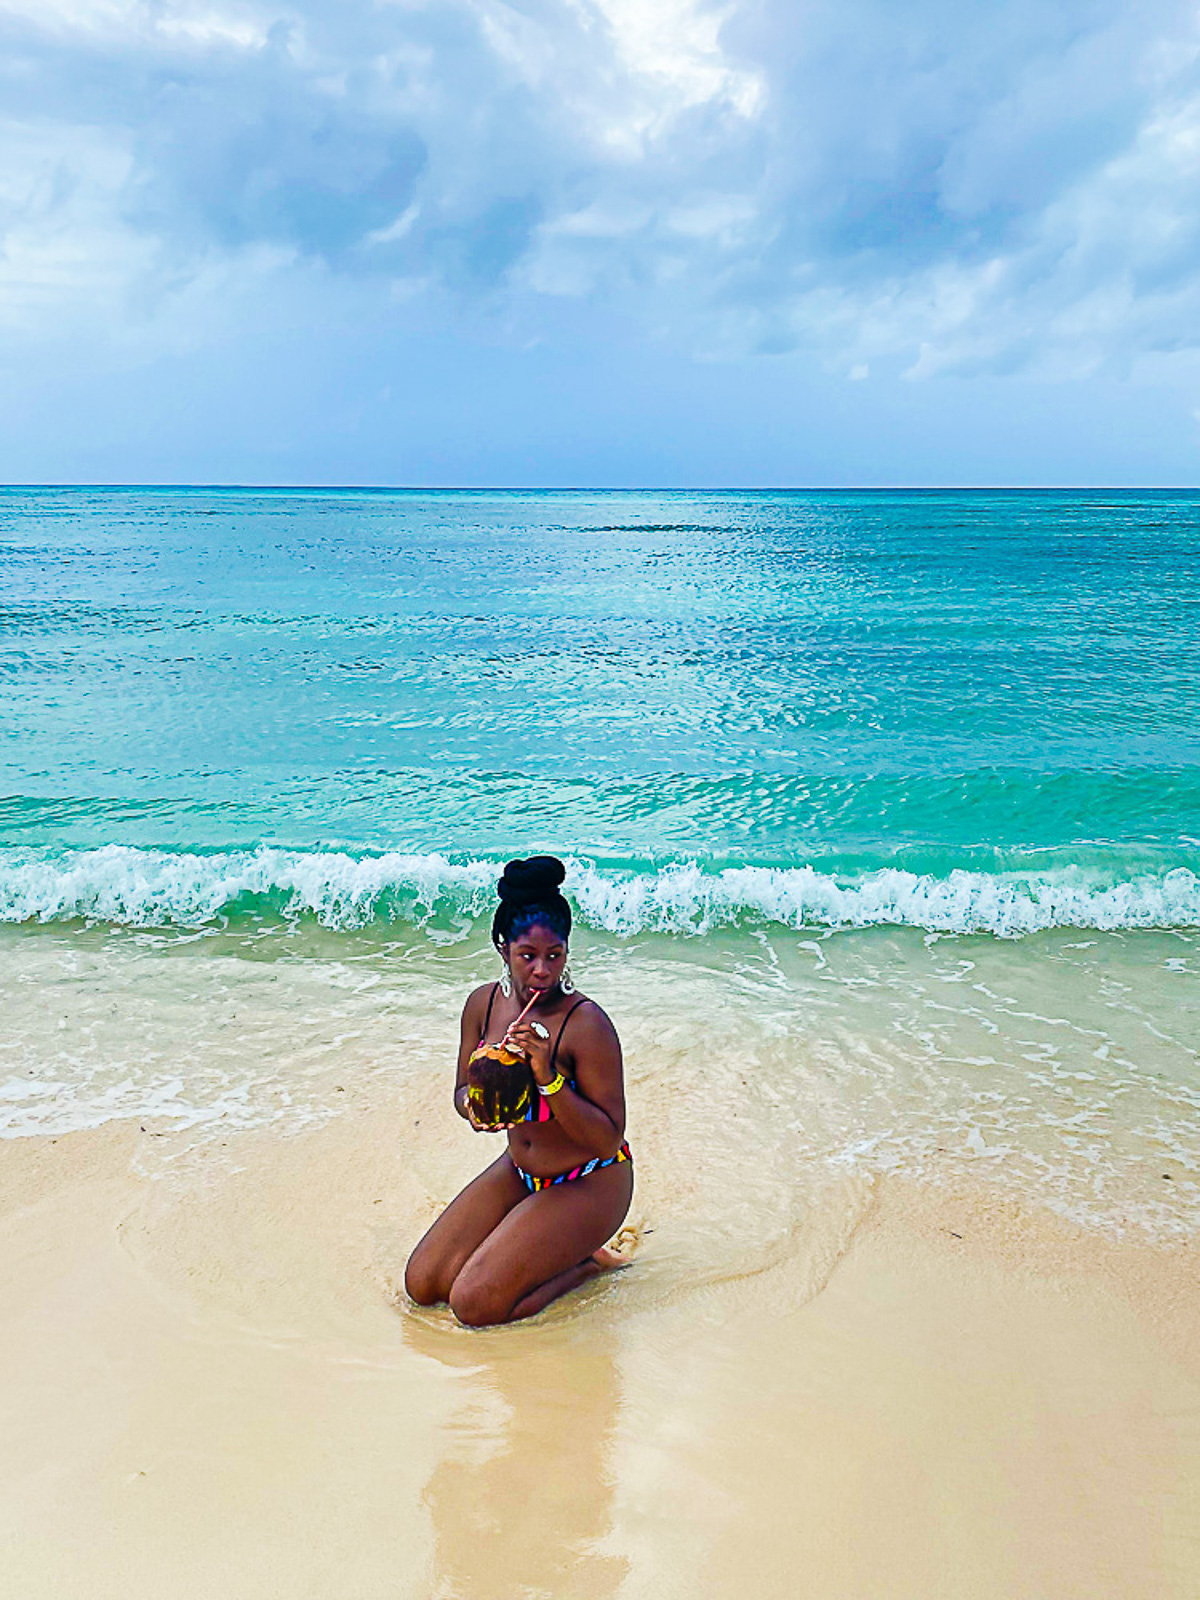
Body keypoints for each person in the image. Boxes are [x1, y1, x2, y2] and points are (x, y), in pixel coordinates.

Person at [405, 856, 632, 1326]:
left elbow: (608, 1137)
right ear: (503, 948)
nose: (542, 971)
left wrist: (547, 1075)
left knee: (474, 1305)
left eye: (555, 955)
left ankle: (585, 1263)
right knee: (424, 1284)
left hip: (590, 1178)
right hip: (520, 1171)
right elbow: (462, 1090)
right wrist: (475, 1110)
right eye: (528, 956)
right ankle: (546, 1244)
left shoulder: (584, 1023)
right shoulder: (483, 1005)